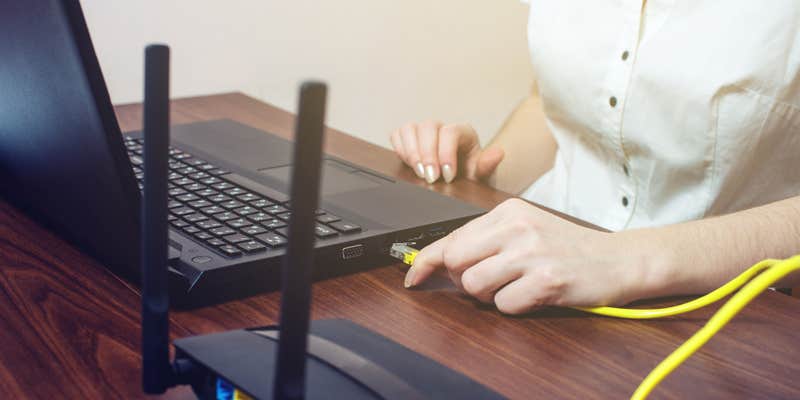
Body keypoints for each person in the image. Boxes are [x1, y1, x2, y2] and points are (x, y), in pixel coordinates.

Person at [389, 1, 800, 314]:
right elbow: (551, 107)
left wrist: (623, 258)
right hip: (540, 276)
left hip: (716, 314)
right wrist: (481, 177)